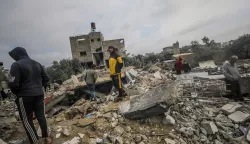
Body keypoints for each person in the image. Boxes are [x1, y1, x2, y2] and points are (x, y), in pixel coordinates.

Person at [8, 47, 52, 144]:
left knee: (27, 119)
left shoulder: (16, 64)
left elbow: (13, 84)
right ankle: (47, 137)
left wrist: (18, 93)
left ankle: (35, 141)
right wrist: (41, 87)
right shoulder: (37, 63)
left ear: (17, 54)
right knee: (41, 116)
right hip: (39, 94)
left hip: (24, 96)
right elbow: (46, 78)